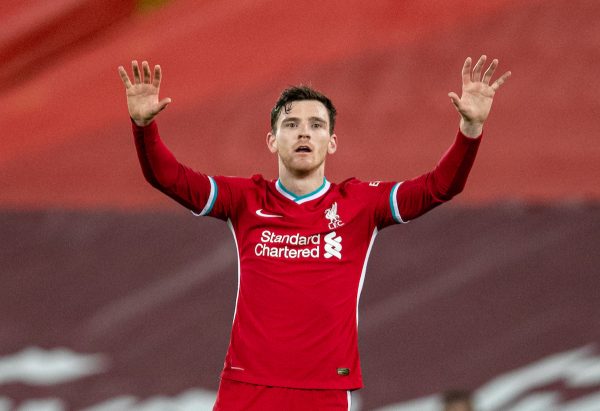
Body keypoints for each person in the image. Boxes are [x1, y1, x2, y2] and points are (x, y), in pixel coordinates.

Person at [117, 56, 510, 411]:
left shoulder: (360, 203)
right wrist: (143, 127)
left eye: (316, 125)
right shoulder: (245, 199)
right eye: (291, 124)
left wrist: (470, 130)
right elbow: (168, 178)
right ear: (272, 140)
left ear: (331, 142)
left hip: (324, 390)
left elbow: (439, 187)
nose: (303, 133)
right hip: (247, 386)